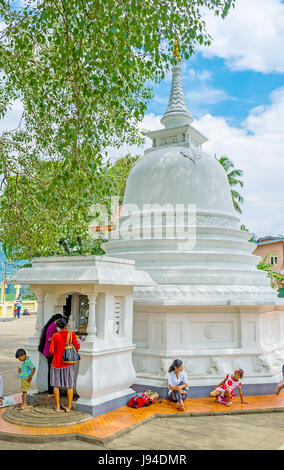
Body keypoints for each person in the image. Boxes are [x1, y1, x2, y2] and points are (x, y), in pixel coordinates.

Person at [49, 317, 80, 413]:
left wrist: (58, 353)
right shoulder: (71, 335)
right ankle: (69, 407)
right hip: (68, 364)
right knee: (69, 387)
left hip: (56, 364)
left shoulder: (55, 336)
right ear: (66, 325)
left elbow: (51, 351)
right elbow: (77, 347)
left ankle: (57, 406)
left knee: (56, 386)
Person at [38, 314, 64, 398]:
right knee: (51, 371)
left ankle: (52, 391)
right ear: (57, 320)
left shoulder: (52, 326)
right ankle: (50, 391)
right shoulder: (52, 327)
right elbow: (49, 339)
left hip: (49, 351)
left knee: (51, 371)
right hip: (50, 352)